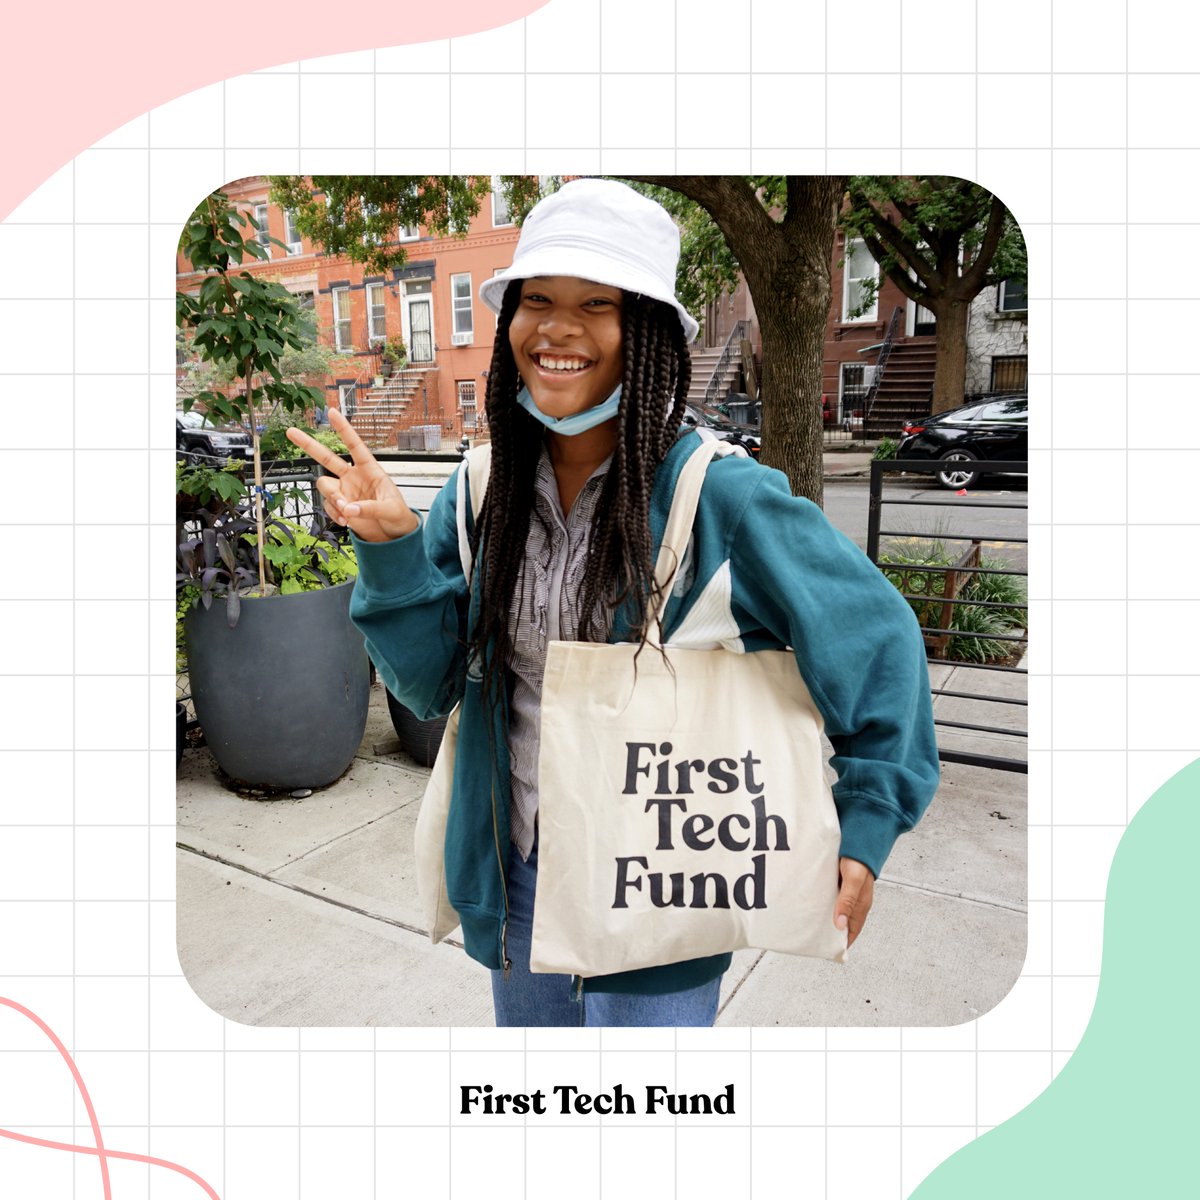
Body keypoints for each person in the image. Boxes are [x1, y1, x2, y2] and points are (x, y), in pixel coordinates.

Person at [287, 178, 939, 1028]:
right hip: (517, 878)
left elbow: (878, 641)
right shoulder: (481, 492)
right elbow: (427, 687)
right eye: (538, 300)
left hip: (665, 888)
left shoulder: (723, 499)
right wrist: (391, 548)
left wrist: (868, 815)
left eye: (599, 303)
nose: (559, 327)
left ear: (650, 335)